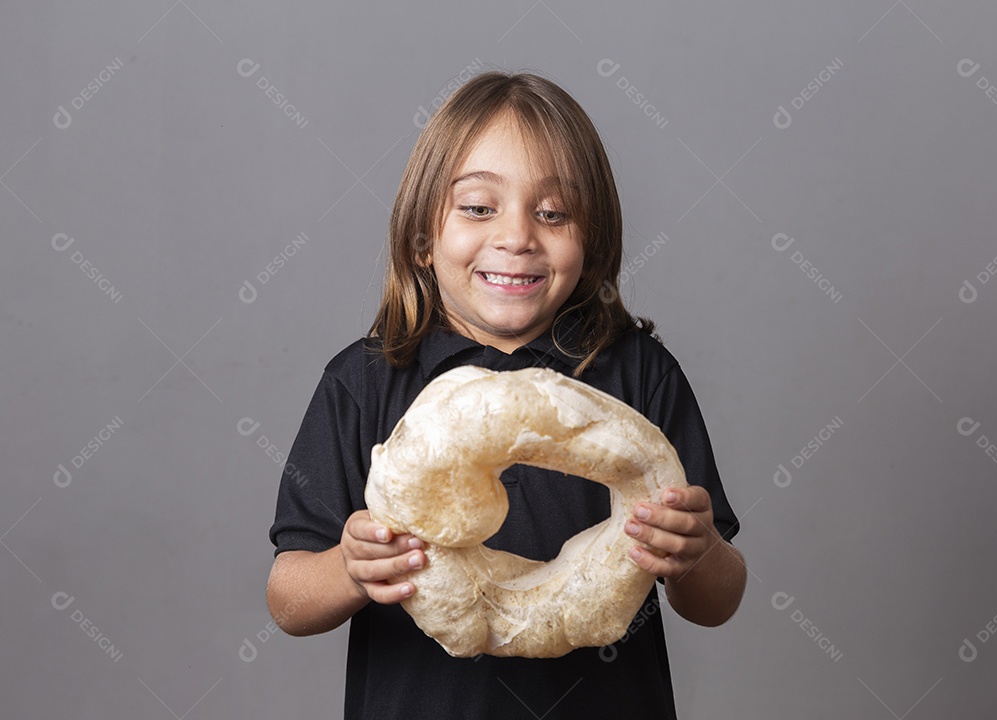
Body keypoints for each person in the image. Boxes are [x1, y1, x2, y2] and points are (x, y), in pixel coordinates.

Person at [266, 69, 747, 719]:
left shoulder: (637, 374)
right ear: (421, 238)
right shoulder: (367, 381)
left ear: (590, 243)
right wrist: (352, 570)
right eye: (478, 207)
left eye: (553, 213)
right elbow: (288, 601)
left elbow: (717, 602)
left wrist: (696, 553)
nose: (518, 236)